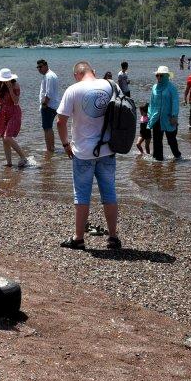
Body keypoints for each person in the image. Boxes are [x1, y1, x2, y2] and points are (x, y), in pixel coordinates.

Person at [56, 61, 120, 251]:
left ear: (76, 74)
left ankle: (78, 239)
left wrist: (66, 144)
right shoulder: (111, 85)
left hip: (83, 152)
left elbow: (60, 121)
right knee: (109, 192)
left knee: (82, 194)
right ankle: (113, 237)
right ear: (94, 72)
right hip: (108, 148)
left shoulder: (73, 89)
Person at [0, 68, 27, 167]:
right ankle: (9, 163)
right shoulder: (1, 86)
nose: (4, 81)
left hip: (14, 113)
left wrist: (10, 89)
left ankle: (23, 157)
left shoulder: (15, 85)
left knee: (7, 137)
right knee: (4, 139)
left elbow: (16, 101)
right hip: (3, 113)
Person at [148, 65, 182, 161]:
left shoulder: (172, 88)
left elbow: (175, 103)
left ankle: (178, 156)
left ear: (166, 76)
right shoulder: (154, 87)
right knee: (157, 140)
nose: (159, 77)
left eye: (161, 75)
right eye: (157, 75)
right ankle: (158, 160)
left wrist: (174, 116)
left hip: (169, 118)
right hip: (156, 118)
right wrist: (149, 115)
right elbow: (151, 102)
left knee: (171, 140)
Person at [36, 59, 61, 152]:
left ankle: (50, 149)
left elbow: (49, 93)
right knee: (48, 127)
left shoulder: (49, 76)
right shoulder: (49, 75)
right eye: (38, 67)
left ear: (46, 65)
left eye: (40, 67)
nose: (39, 69)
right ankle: (51, 148)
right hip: (52, 105)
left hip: (49, 106)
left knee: (47, 128)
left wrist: (44, 104)